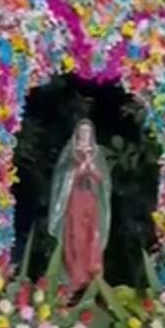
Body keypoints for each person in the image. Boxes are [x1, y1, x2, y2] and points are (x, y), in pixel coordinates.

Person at [48, 119, 111, 292]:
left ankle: (91, 283)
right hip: (75, 200)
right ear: (77, 133)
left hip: (91, 202)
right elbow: (62, 177)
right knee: (75, 238)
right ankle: (73, 282)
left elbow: (104, 182)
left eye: (87, 131)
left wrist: (92, 170)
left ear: (92, 134)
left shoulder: (96, 153)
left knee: (92, 240)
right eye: (81, 131)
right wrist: (78, 169)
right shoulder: (70, 153)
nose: (84, 134)